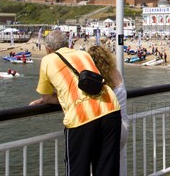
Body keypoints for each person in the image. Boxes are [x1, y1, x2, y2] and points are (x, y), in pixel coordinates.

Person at [29, 30, 121, 176]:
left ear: (48, 49)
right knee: (107, 169)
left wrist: (61, 97)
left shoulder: (47, 60)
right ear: (68, 44)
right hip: (110, 109)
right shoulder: (83, 54)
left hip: (81, 116)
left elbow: (47, 98)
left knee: (77, 169)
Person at [88, 45, 129, 176]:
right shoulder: (116, 73)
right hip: (123, 126)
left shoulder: (97, 79)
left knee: (101, 165)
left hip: (109, 127)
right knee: (118, 163)